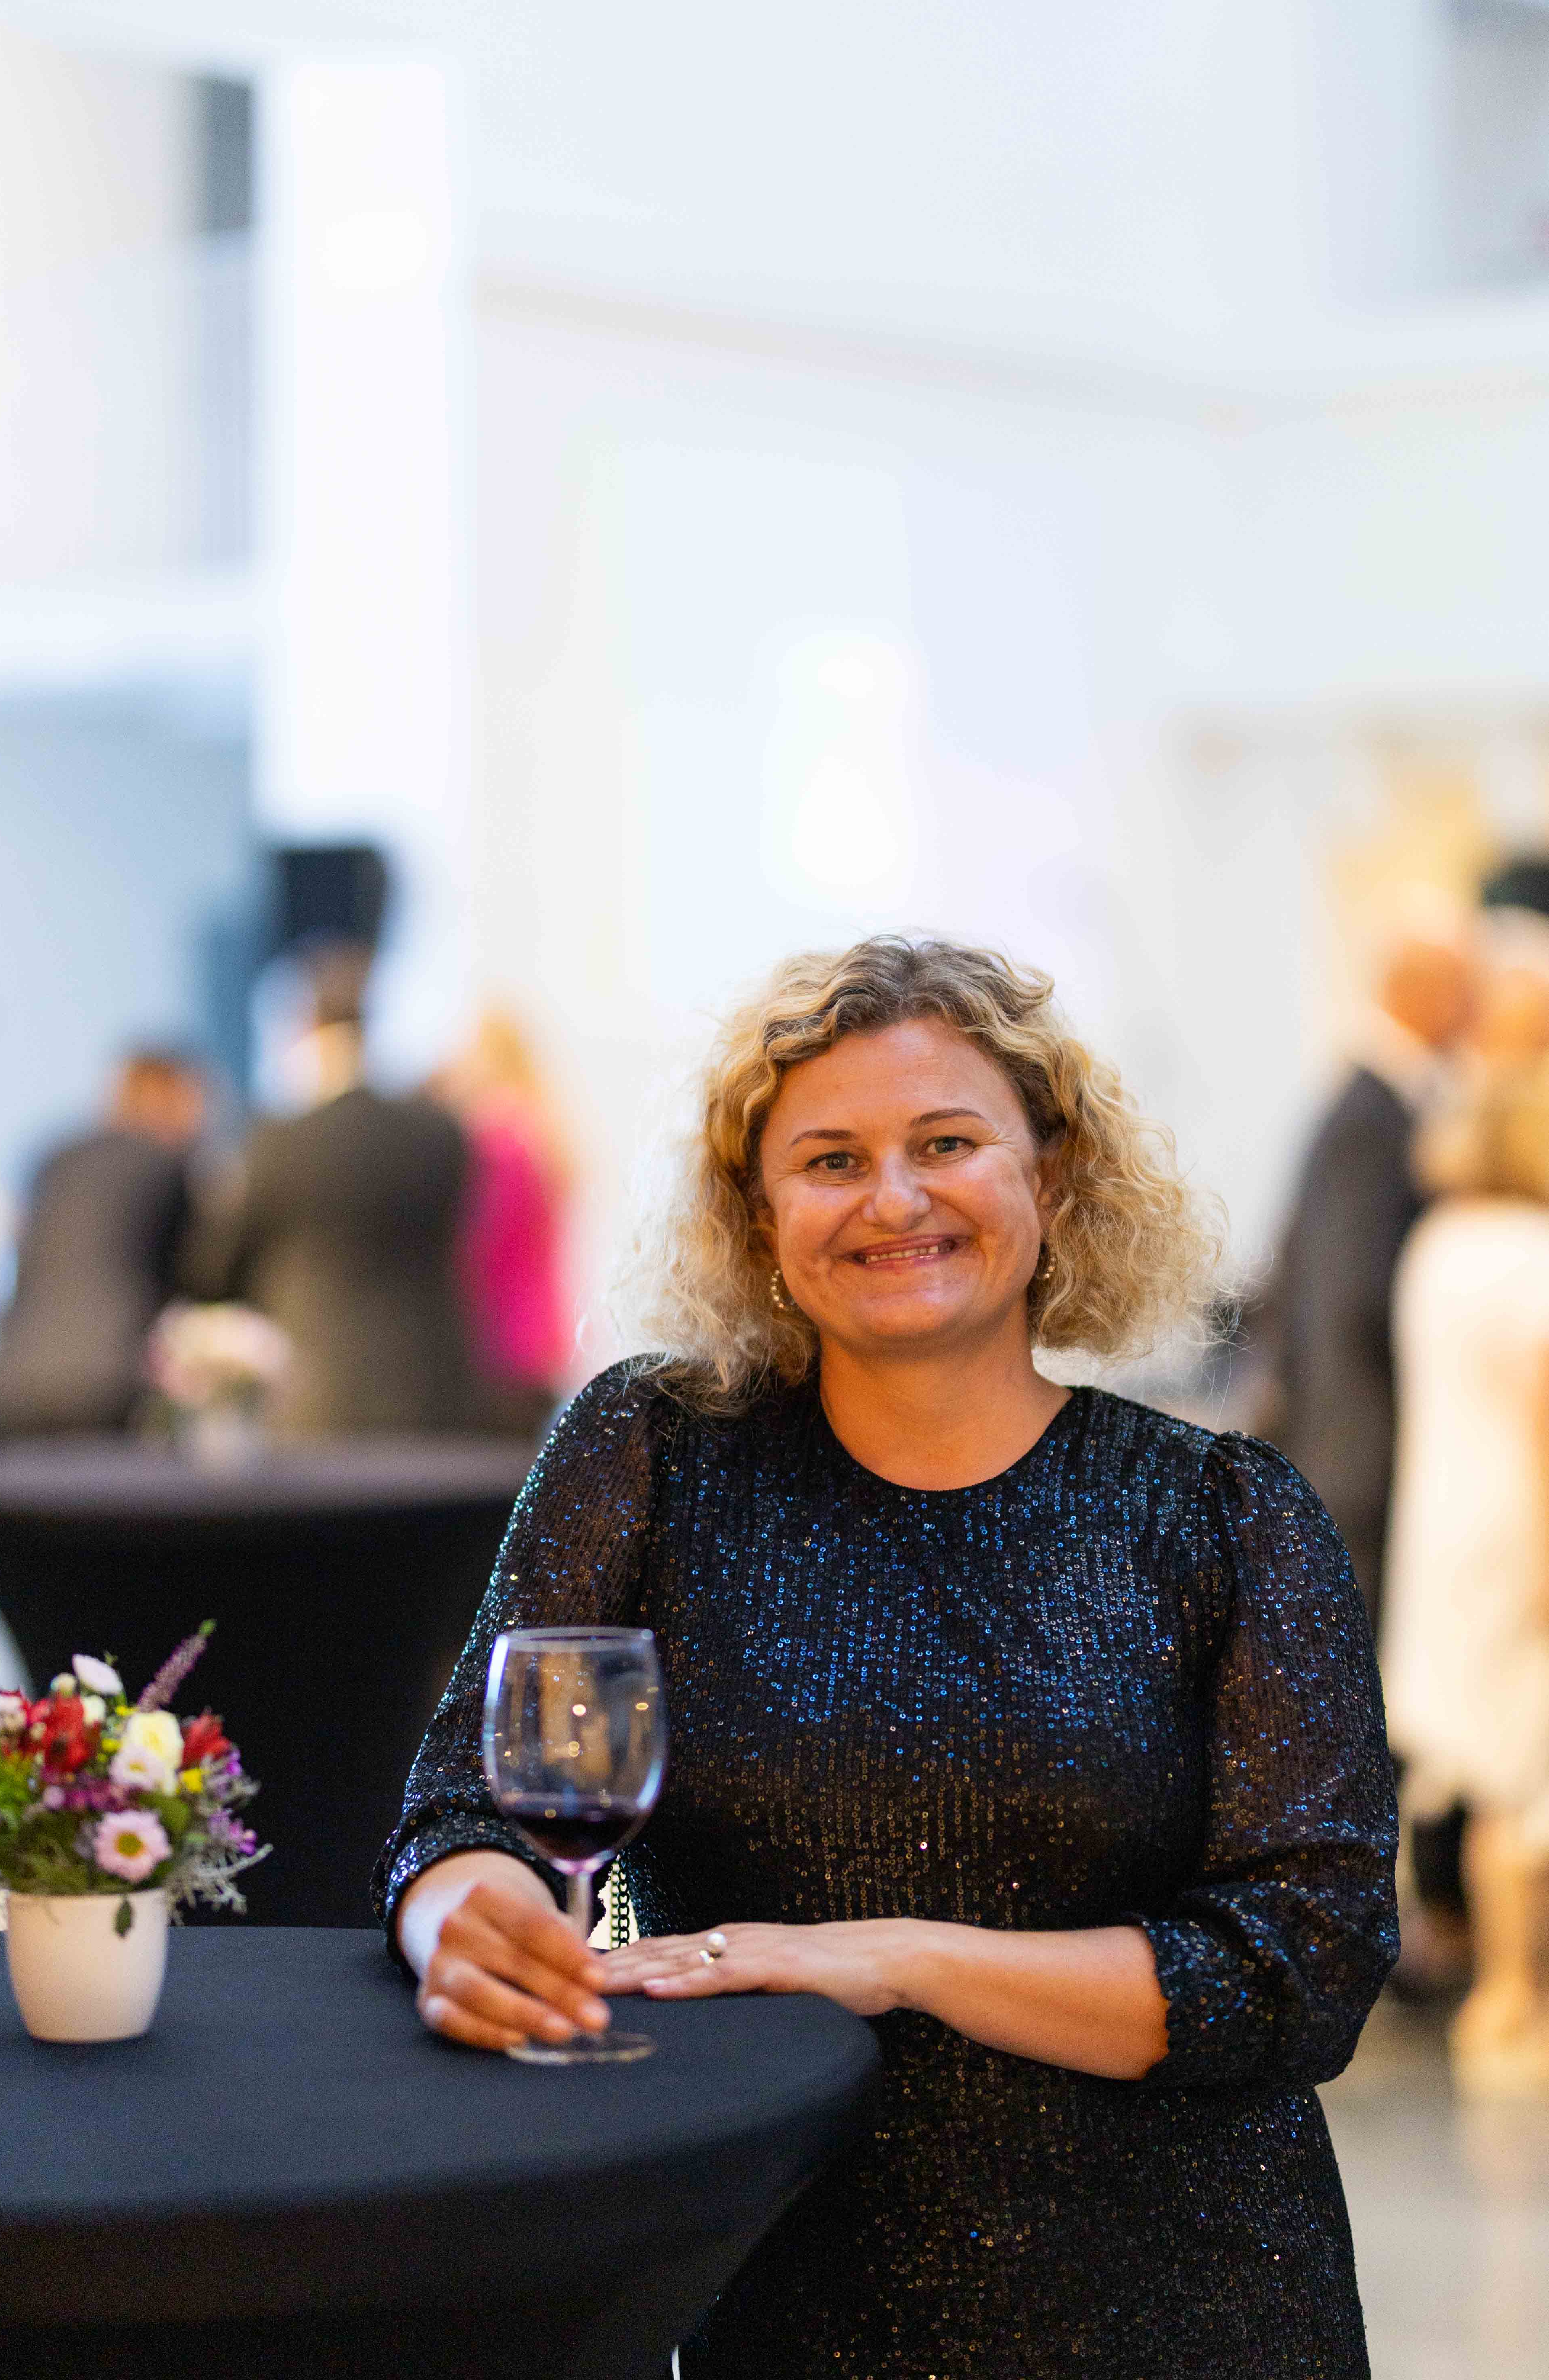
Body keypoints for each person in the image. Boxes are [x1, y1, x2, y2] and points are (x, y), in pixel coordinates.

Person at [377, 936, 1397, 2380]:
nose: (893, 1199)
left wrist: (893, 1958)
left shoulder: (1225, 1513)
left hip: (1178, 2303)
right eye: (830, 1160)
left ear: (1050, 1177)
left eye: (945, 1143)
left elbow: (1303, 1966)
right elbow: (465, 1806)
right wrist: (465, 1916)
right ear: (760, 1212)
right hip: (780, 2283)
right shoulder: (651, 1452)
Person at [1381, 968, 1549, 2096]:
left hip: (1445, 1527)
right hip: (1517, 1536)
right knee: (1524, 1783)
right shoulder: (1527, 1256)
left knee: (1489, 1775)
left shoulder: (1437, 1243)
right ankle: (1510, 1996)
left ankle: (1499, 1991)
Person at [1268, 924, 1477, 1637]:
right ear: (1429, 994)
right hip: (1355, 1441)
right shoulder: (1371, 1116)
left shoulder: (1379, 1104)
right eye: (1464, 992)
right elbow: (1350, 1295)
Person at [188, 968, 479, 1437]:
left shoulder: (278, 1142)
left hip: (316, 1397)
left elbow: (217, 1267)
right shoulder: (440, 1135)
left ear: (306, 1031)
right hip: (431, 1389)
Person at [0, 1049, 206, 1435]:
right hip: (110, 1385)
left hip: (14, 1380)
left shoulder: (55, 1161)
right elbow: (196, 1280)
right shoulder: (167, 1166)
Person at [430, 1008, 574, 1418]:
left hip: (501, 1341)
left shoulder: (496, 1137)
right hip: (539, 1334)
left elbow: (480, 1242)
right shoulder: (541, 1128)